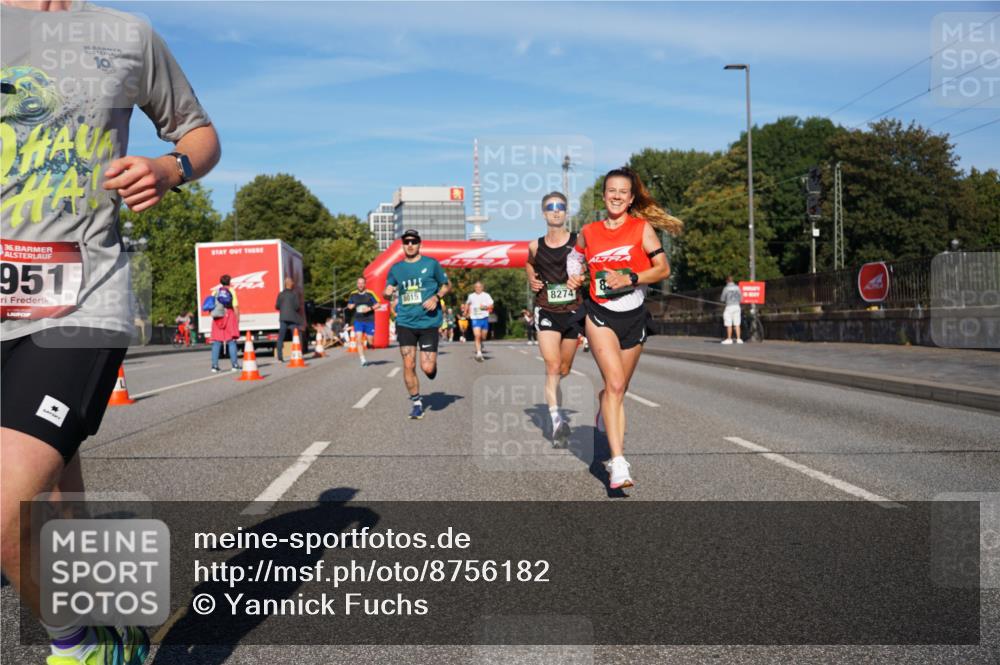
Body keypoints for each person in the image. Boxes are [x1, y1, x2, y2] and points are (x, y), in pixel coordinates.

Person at [0, 2, 220, 663]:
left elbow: (200, 134)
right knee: (54, 504)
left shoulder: (126, 35)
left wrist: (167, 169)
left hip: (81, 297)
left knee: (7, 505)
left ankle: (82, 645)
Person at [566, 167, 680, 489]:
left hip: (633, 316)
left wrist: (631, 277)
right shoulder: (589, 231)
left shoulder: (642, 229)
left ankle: (604, 408)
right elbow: (575, 260)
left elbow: (662, 268)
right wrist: (574, 277)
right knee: (615, 384)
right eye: (611, 190)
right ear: (604, 196)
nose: (616, 196)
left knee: (618, 390)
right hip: (599, 313)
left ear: (630, 199)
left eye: (622, 192)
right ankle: (618, 463)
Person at [526, 191, 585, 446]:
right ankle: (556, 420)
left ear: (566, 211)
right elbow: (529, 263)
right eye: (550, 207)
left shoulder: (578, 241)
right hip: (546, 309)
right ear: (543, 213)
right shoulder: (535, 245)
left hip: (572, 311)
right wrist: (531, 278)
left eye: (560, 206)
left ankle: (557, 409)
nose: (556, 211)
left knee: (564, 369)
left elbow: (592, 264)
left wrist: (581, 277)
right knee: (551, 366)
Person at [384, 229, 450, 419]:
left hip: (428, 321)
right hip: (405, 321)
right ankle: (417, 403)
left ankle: (432, 367)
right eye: (406, 242)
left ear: (420, 243)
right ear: (403, 245)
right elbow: (386, 293)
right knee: (408, 363)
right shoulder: (396, 268)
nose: (410, 244)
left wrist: (437, 297)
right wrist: (387, 292)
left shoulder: (431, 264)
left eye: (413, 241)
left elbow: (446, 285)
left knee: (427, 368)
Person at [209, 275, 241, 372]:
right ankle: (234, 365)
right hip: (229, 315)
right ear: (229, 282)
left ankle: (214, 366)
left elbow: (210, 305)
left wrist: (212, 315)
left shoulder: (215, 292)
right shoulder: (231, 291)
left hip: (217, 317)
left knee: (216, 342)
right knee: (231, 341)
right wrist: (237, 318)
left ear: (221, 282)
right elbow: (235, 306)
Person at [347, 277, 378, 367]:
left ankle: (369, 343)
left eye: (362, 283)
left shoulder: (370, 293)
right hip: (358, 320)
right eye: (359, 283)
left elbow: (378, 304)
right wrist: (350, 306)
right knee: (358, 339)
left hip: (369, 320)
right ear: (357, 284)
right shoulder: (353, 294)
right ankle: (363, 359)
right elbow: (349, 305)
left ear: (365, 284)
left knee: (370, 340)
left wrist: (369, 308)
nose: (360, 285)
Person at [274, 277, 303, 362]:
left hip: (283, 318)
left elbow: (277, 306)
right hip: (292, 319)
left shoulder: (280, 294)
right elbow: (297, 307)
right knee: (296, 337)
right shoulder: (294, 294)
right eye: (292, 282)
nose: (293, 283)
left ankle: (280, 357)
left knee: (281, 337)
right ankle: (297, 354)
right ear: (290, 284)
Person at [465, 281, 494, 362]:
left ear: (482, 287)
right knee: (477, 335)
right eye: (476, 287)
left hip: (484, 318)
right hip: (475, 318)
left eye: (479, 287)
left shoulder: (486, 296)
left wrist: (484, 308)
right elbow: (467, 303)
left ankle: (481, 343)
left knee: (483, 336)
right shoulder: (471, 296)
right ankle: (479, 353)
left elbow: (491, 307)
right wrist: (466, 311)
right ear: (474, 288)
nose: (478, 288)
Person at [720, 275, 744, 344]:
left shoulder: (726, 288)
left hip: (729, 307)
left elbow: (722, 299)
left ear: (727, 281)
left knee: (729, 323)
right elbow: (741, 298)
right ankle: (739, 339)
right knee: (737, 323)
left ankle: (729, 339)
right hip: (737, 306)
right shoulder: (737, 287)